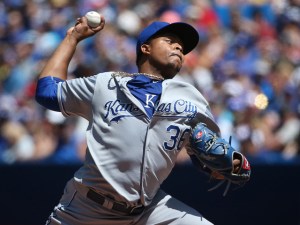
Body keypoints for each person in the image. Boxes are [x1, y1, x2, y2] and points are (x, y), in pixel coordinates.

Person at [36, 14, 225, 225]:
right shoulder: (105, 84)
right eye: (170, 42)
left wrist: (220, 167)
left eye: (182, 46)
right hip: (86, 209)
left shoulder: (192, 98)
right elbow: (48, 91)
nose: (179, 48)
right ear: (146, 48)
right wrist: (72, 38)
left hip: (149, 210)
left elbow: (205, 152)